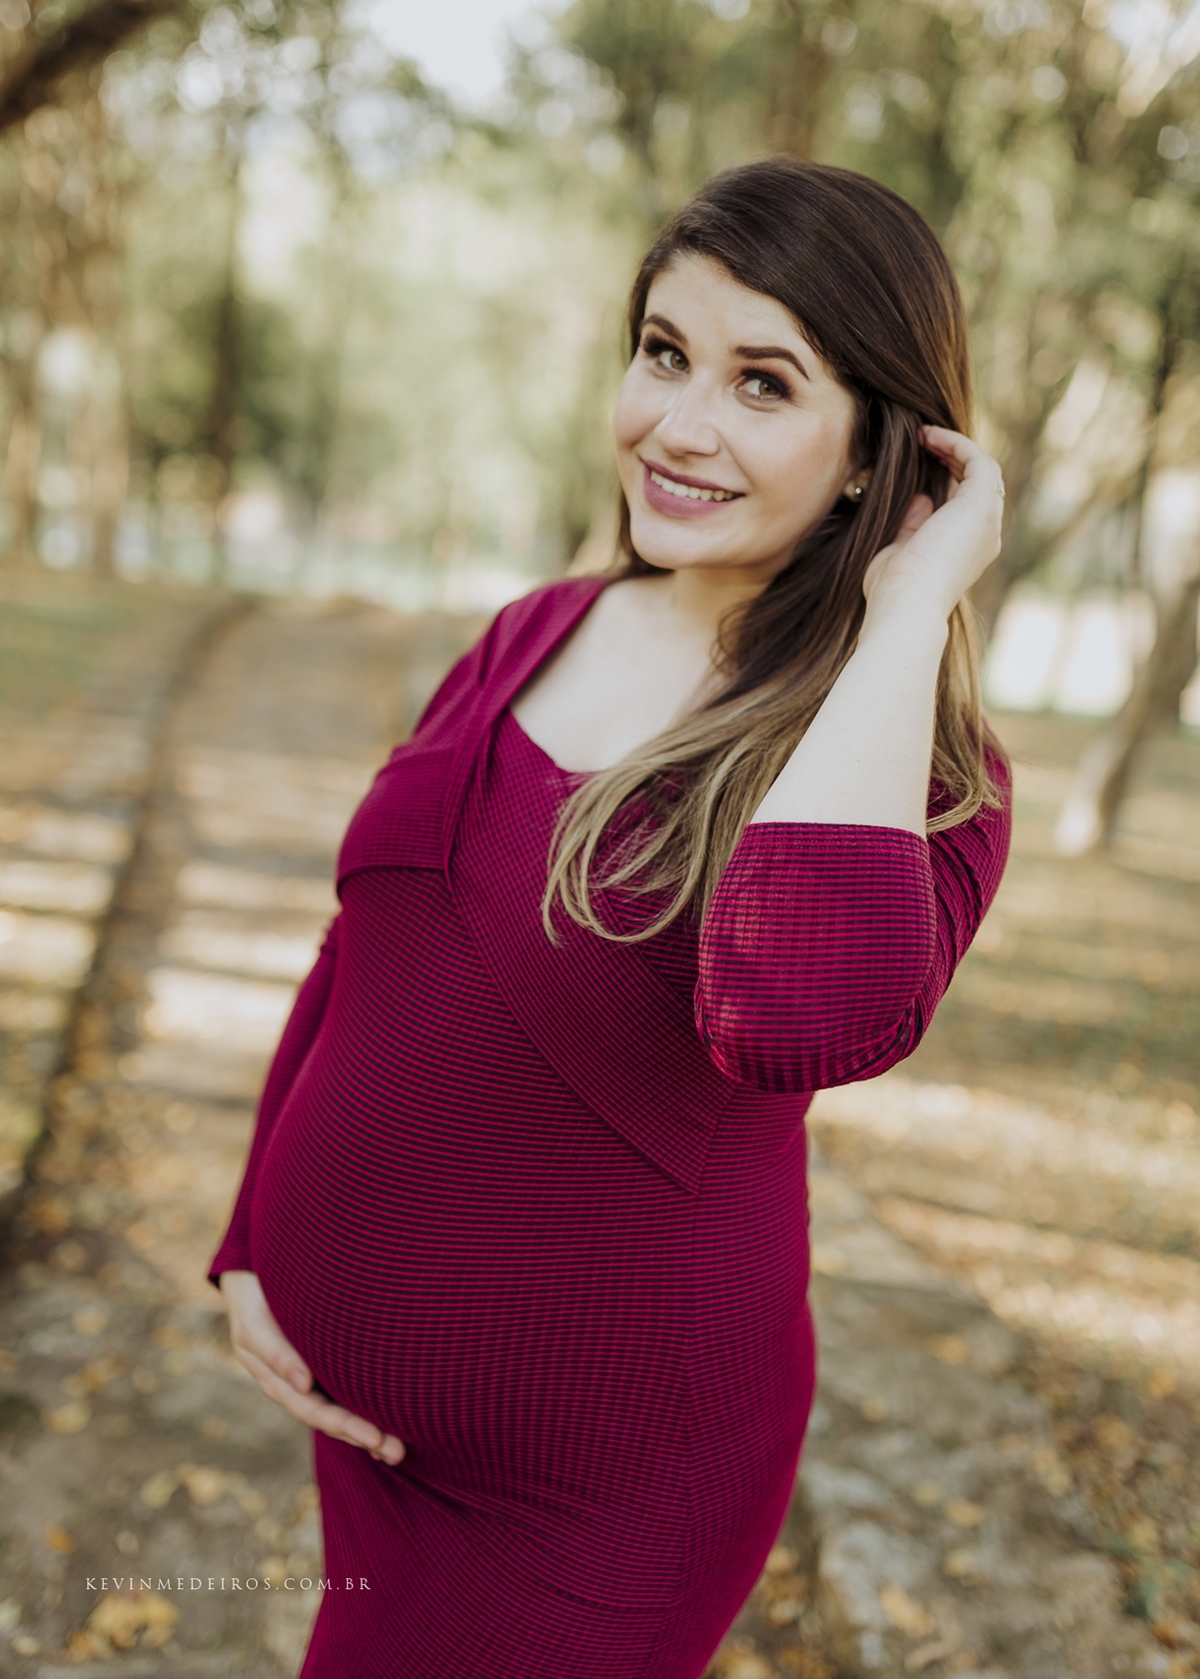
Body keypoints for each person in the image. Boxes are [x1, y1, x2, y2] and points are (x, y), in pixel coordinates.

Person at [210, 155, 1012, 1679]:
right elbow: (362, 950)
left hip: (600, 1503)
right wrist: (253, 1236)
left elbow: (798, 1021)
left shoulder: (923, 770)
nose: (679, 424)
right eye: (664, 354)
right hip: (359, 1433)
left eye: (763, 383)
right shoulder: (532, 630)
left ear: (877, 453)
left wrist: (909, 611)